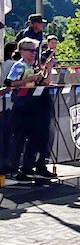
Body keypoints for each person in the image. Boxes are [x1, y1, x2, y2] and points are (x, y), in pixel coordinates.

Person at [5, 38, 56, 182]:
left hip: (34, 105)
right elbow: (10, 83)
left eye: (35, 51)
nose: (34, 53)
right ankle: (14, 170)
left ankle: (28, 167)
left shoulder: (33, 66)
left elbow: (45, 82)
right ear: (22, 51)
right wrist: (29, 80)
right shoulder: (19, 66)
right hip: (21, 106)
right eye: (31, 50)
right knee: (19, 139)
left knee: (35, 138)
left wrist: (48, 69)